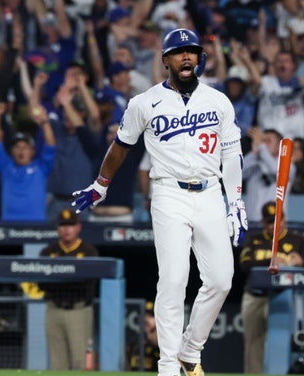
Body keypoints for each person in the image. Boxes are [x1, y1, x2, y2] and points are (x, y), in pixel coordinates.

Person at [71, 28, 247, 376]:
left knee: (222, 279)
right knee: (173, 279)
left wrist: (236, 203)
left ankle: (190, 349)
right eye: (179, 52)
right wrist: (101, 185)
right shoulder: (144, 102)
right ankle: (168, 366)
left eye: (192, 52)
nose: (186, 57)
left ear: (199, 58)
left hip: (211, 191)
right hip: (167, 192)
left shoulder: (218, 101)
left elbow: (232, 155)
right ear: (165, 60)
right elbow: (120, 146)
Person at [239, 201, 304, 374]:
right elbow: (244, 264)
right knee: (253, 342)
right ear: (263, 222)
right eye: (270, 222)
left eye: (278, 220)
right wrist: (271, 261)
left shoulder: (298, 240)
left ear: (284, 219)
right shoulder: (255, 240)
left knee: (281, 339)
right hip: (256, 296)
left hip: (283, 296)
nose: (274, 225)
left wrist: (301, 262)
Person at [38, 208, 98, 370]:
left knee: (80, 361)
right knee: (57, 363)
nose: (67, 229)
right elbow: (42, 284)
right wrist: (69, 278)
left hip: (78, 310)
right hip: (53, 309)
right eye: (63, 225)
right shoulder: (48, 252)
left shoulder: (88, 252)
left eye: (71, 225)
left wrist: (60, 278)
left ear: (78, 227)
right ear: (57, 228)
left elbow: (88, 284)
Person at [127, 301, 160, 372]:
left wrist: (151, 337)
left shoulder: (162, 341)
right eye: (144, 315)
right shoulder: (134, 340)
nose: (146, 319)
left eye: (151, 316)